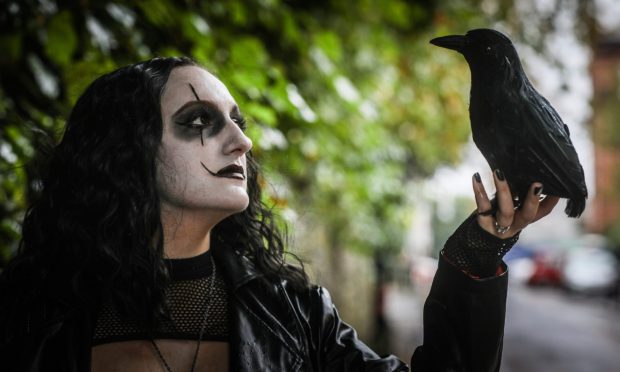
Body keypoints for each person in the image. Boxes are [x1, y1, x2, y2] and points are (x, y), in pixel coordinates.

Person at [0, 56, 558, 371]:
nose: (241, 141)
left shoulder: (293, 317)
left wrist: (476, 253)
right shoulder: (31, 316)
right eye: (200, 120)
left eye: (237, 120)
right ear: (126, 150)